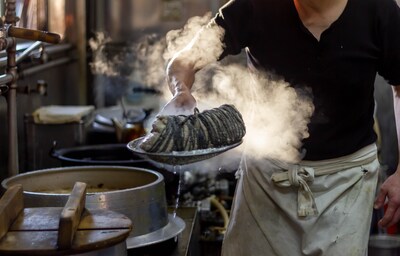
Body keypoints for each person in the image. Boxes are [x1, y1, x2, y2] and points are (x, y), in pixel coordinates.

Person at [160, 0, 400, 255]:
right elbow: (183, 61)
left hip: (346, 183)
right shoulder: (255, 6)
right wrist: (180, 91)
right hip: (266, 182)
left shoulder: (378, 10)